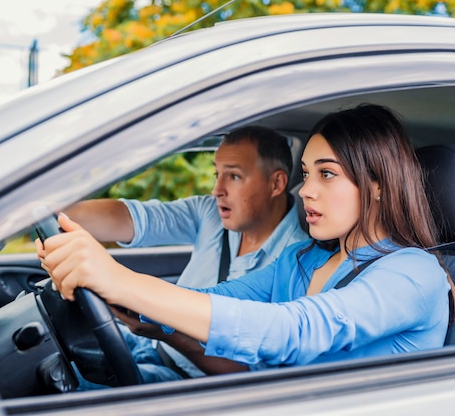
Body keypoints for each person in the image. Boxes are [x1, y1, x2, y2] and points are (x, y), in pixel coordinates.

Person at [38, 104, 455, 376]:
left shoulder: (413, 273)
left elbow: (291, 332)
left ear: (380, 185)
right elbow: (216, 300)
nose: (306, 190)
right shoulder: (304, 259)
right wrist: (131, 306)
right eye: (307, 173)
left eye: (326, 174)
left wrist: (121, 279)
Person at [62, 125, 309, 381]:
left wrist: (168, 331)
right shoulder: (210, 213)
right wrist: (44, 210)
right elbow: (134, 219)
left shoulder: (299, 265)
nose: (217, 190)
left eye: (233, 176)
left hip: (186, 381)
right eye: (217, 174)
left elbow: (253, 377)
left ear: (276, 183)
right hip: (148, 346)